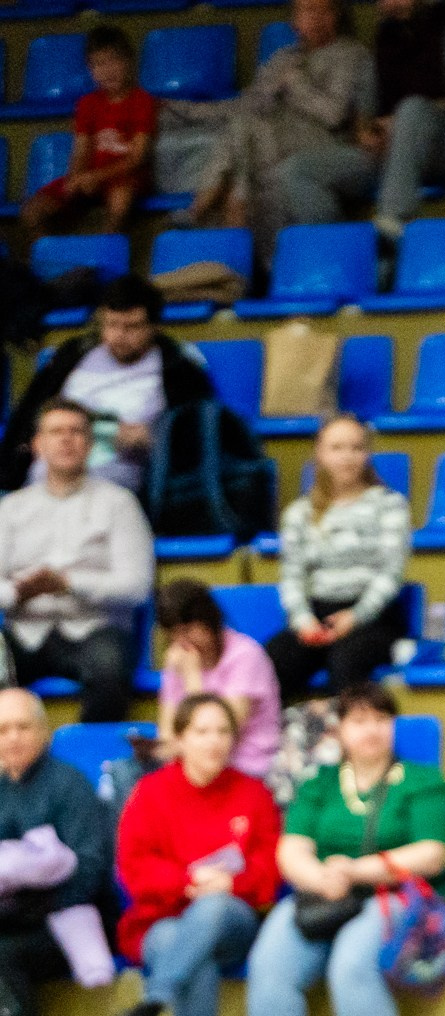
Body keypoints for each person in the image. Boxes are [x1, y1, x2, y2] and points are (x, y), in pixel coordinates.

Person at [246, 682, 445, 1016]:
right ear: (339, 730)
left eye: (382, 720)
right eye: (360, 721)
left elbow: (431, 854)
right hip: (326, 895)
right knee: (270, 960)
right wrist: (319, 877)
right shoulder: (318, 784)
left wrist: (358, 871)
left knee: (353, 962)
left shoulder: (423, 780)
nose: (372, 730)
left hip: (399, 896)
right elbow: (292, 850)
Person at [112, 693, 283, 1016]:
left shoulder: (253, 793)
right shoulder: (151, 793)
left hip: (233, 918)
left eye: (223, 731)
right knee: (191, 958)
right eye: (202, 731)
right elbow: (134, 866)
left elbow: (268, 868)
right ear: (180, 739)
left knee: (211, 911)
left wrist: (231, 883)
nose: (214, 741)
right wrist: (188, 881)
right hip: (160, 920)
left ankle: (153, 1002)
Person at [275, 0, 445, 242]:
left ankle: (390, 229)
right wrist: (367, 132)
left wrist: (403, 121)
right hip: (395, 151)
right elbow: (366, 109)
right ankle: (339, 256)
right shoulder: (386, 34)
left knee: (412, 110)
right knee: (299, 170)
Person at [0, 689, 113, 1016]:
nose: (12, 738)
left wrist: (28, 905)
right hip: (11, 922)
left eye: (22, 727)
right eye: (3, 730)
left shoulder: (69, 787)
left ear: (44, 732)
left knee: (3, 957)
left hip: (67, 923)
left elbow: (90, 870)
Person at [181, 0, 376, 256]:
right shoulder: (282, 58)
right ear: (294, 20)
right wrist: (182, 110)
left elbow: (333, 115)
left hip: (324, 146)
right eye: (307, 11)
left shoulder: (351, 54)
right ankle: (245, 255)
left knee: (246, 142)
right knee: (243, 130)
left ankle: (203, 213)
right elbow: (245, 104)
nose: (315, 19)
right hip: (272, 145)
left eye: (323, 11)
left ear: (337, 16)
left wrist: (296, 83)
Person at [0, 399, 153, 725]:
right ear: (38, 445)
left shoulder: (119, 504)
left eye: (76, 431)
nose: (67, 439)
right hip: (24, 630)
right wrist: (19, 593)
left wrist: (69, 583)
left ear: (90, 443)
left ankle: (90, 762)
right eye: (56, 432)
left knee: (111, 667)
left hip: (94, 629)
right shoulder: (9, 509)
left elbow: (137, 586)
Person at [2, 277, 214, 497]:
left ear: (154, 327)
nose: (119, 336)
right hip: (49, 465)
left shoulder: (177, 368)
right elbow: (29, 413)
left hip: (118, 470)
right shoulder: (73, 354)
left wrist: (150, 438)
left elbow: (196, 435)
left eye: (132, 327)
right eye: (111, 324)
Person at [266, 414, 413, 704]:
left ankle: (343, 744)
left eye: (356, 448)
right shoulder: (298, 513)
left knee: (346, 659)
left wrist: (356, 616)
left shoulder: (390, 505)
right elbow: (292, 576)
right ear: (319, 454)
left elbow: (391, 572)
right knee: (274, 661)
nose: (347, 457)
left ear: (367, 454)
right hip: (317, 614)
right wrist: (303, 621)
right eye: (337, 448)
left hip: (374, 617)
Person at [17, 28, 154, 237]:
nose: (108, 71)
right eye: (98, 64)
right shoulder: (87, 104)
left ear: (129, 62)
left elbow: (137, 157)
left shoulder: (141, 101)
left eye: (113, 61)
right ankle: (53, 262)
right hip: (91, 177)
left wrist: (96, 177)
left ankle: (103, 258)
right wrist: (76, 178)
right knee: (32, 209)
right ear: (90, 69)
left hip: (125, 176)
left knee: (120, 198)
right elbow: (81, 150)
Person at [156, 579, 282, 779]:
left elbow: (221, 732)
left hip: (245, 765)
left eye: (188, 630)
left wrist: (192, 678)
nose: (182, 640)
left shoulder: (246, 656)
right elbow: (167, 737)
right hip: (191, 766)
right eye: (175, 633)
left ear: (209, 622)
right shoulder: (178, 659)